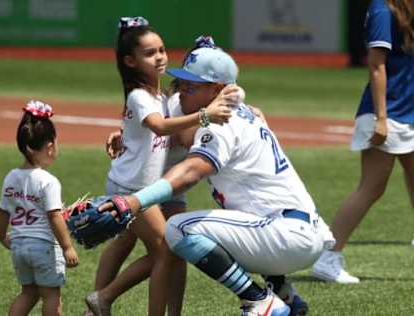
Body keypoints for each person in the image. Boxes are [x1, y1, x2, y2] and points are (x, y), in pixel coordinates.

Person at [99, 45, 333, 316]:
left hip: (285, 234)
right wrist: (129, 136)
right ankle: (283, 294)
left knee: (178, 228)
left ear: (216, 89)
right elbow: (182, 134)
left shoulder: (221, 124)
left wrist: (134, 201)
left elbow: (191, 171)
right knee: (235, 217)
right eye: (182, 83)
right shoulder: (237, 109)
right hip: (296, 231)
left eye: (191, 85)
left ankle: (258, 299)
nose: (182, 90)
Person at [84, 18, 235, 316]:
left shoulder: (161, 95)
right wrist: (206, 115)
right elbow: (162, 127)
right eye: (151, 52)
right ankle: (102, 299)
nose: (160, 57)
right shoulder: (148, 96)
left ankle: (101, 304)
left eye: (162, 50)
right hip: (133, 186)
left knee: (161, 246)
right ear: (131, 61)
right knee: (168, 248)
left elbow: (149, 126)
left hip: (154, 186)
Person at [311, 0, 414, 284]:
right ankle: (328, 258)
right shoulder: (383, 8)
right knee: (371, 188)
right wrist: (381, 118)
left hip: (409, 114)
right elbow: (376, 64)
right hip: (387, 114)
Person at [0, 100, 79, 316]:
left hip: (19, 246)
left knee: (28, 293)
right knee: (51, 295)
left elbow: (3, 211)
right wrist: (67, 246)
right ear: (50, 146)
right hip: (44, 247)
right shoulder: (48, 181)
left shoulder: (11, 177)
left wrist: (1, 236)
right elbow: (54, 216)